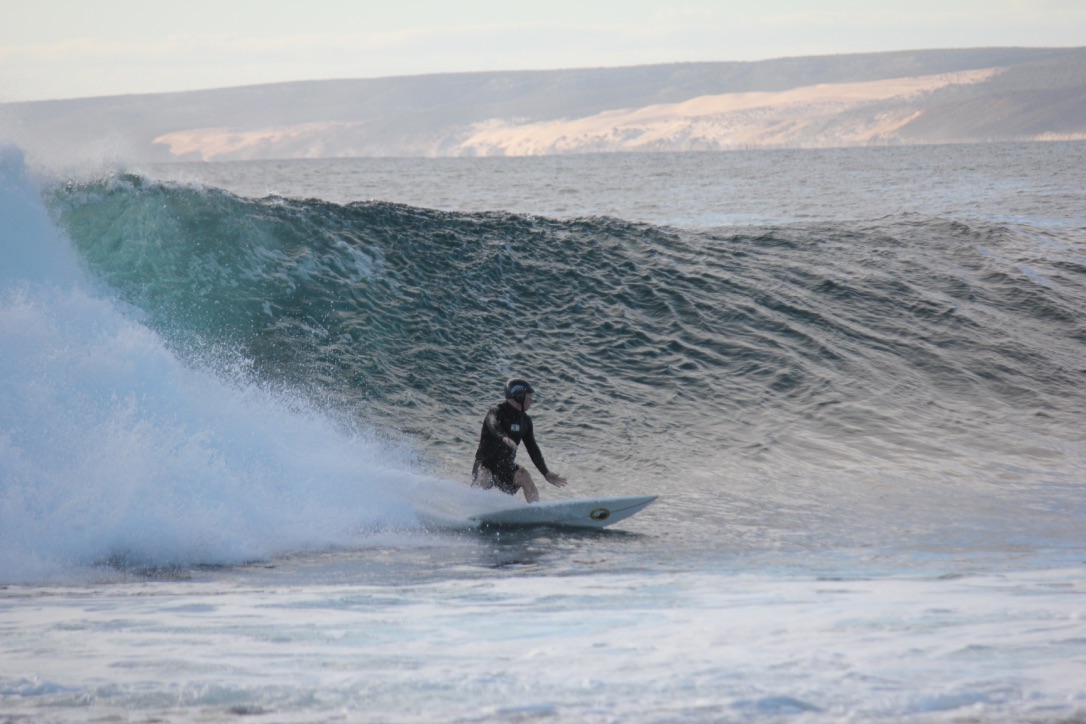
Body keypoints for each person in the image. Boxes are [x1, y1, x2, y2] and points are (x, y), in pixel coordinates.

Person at [471, 378, 568, 503]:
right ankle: (470, 506)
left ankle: (536, 511)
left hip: (504, 467)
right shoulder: (496, 412)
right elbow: (493, 424)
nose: (531, 400)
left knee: (525, 476)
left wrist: (546, 473)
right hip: (484, 464)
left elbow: (532, 449)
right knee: (485, 475)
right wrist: (503, 437)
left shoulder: (525, 421)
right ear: (519, 396)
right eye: (529, 396)